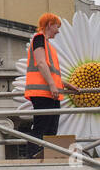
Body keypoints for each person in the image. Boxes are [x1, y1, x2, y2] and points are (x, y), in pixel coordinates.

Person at [22, 13, 78, 157]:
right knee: (42, 125)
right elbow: (41, 63)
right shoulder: (39, 38)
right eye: (56, 27)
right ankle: (33, 155)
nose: (58, 31)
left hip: (50, 92)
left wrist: (65, 85)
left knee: (51, 127)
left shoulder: (47, 45)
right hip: (43, 92)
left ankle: (46, 155)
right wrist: (53, 85)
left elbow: (50, 70)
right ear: (49, 25)